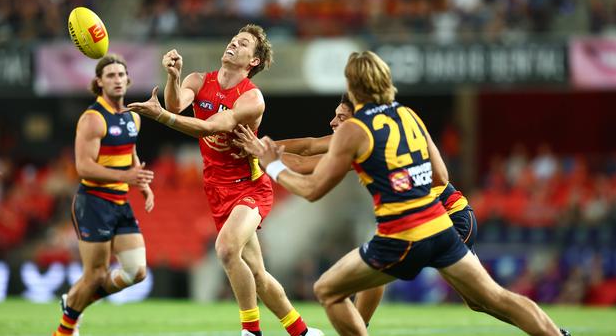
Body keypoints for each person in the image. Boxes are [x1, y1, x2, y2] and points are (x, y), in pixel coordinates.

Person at [237, 51, 568, 336]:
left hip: (407, 230)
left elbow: (311, 189)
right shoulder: (407, 115)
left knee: (327, 290)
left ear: (355, 87)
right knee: (491, 298)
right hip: (441, 224)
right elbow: (440, 174)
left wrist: (272, 165)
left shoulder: (356, 131)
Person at [126, 24, 322, 336]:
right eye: (233, 39)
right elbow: (177, 104)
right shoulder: (198, 80)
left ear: (252, 61)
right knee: (257, 274)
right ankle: (303, 332)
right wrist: (173, 78)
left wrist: (161, 116)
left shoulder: (252, 98)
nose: (233, 44)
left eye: (242, 43)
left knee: (227, 249)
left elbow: (210, 127)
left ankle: (251, 331)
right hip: (216, 188)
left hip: (250, 186)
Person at [235, 93, 479, 327]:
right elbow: (309, 146)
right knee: (378, 270)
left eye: (341, 117)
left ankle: (358, 328)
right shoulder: (362, 135)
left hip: (448, 218)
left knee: (482, 301)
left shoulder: (365, 139)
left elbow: (304, 164)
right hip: (424, 220)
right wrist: (259, 145)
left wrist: (260, 153)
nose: (332, 122)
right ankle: (360, 327)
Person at [53, 54, 155, 336]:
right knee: (96, 274)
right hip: (93, 202)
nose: (117, 80)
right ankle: (65, 329)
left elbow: (130, 153)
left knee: (136, 271)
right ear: (99, 82)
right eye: (110, 76)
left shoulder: (133, 117)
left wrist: (142, 184)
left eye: (121, 75)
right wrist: (127, 177)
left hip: (120, 202)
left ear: (128, 79)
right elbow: (84, 167)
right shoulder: (92, 119)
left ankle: (73, 302)